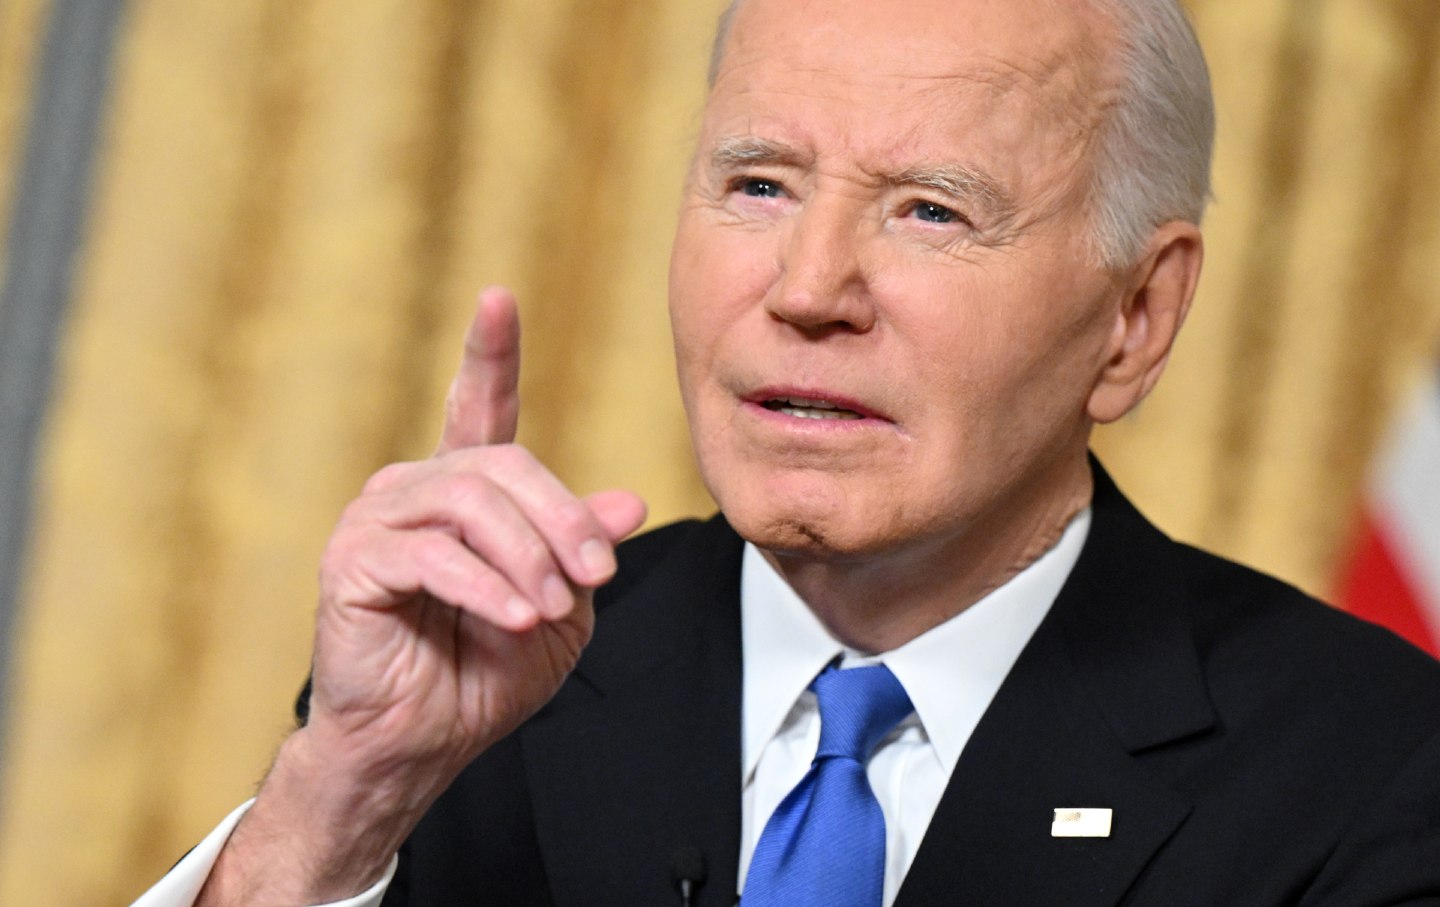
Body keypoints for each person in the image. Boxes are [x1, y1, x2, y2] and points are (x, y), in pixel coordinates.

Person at [134, 0, 1440, 904]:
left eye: (931, 210)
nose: (810, 288)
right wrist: (335, 803)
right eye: (758, 185)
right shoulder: (470, 676)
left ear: (1134, 317)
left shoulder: (1373, 771)